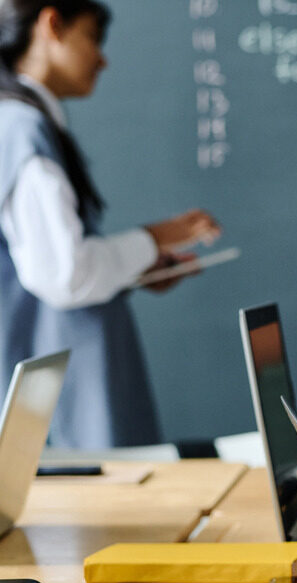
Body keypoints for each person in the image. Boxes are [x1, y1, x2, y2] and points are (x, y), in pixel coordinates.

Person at [0, 0, 220, 448]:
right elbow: (66, 275)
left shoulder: (28, 124)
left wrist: (133, 269)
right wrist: (159, 235)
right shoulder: (21, 129)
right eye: (93, 38)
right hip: (59, 404)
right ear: (51, 24)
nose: (103, 59)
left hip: (62, 391)